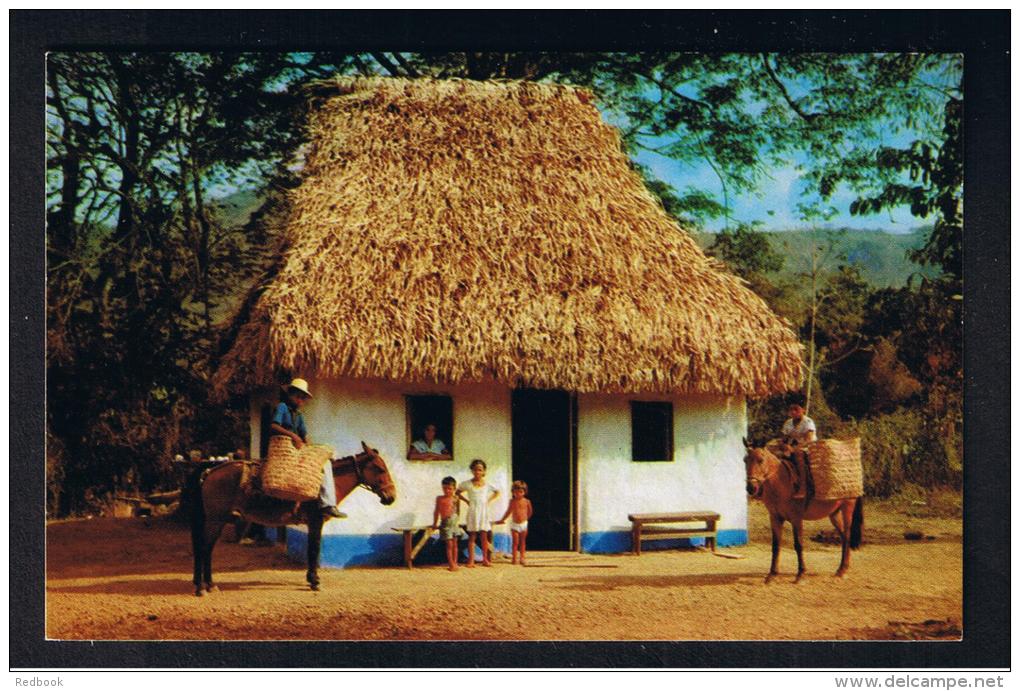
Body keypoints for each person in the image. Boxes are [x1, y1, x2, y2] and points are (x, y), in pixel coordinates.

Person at [270, 378, 345, 518]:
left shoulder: (299, 415)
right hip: (284, 447)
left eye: (302, 398)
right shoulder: (282, 407)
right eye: (297, 396)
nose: (300, 400)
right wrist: (293, 436)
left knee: (325, 461)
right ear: (290, 395)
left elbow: (305, 435)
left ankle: (327, 504)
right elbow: (274, 425)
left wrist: (311, 449)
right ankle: (326, 504)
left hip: (297, 448)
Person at [456, 459, 499, 567]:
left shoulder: (487, 485)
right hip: (473, 512)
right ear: (472, 471)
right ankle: (471, 561)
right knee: (472, 537)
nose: (477, 472)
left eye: (480, 470)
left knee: (484, 537)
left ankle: (485, 560)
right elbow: (457, 492)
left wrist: (488, 501)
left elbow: (497, 492)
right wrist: (466, 501)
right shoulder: (467, 484)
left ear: (484, 471)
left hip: (483, 512)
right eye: (475, 470)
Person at [780, 402, 817, 499]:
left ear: (803, 410)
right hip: (792, 446)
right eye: (791, 409)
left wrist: (793, 449)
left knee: (799, 456)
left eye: (796, 409)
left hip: (807, 447)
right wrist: (784, 445)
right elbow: (783, 438)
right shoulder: (788, 423)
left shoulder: (808, 422)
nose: (793, 412)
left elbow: (808, 440)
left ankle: (803, 488)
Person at [495, 480, 533, 566]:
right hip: (515, 524)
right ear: (513, 492)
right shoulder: (512, 501)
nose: (518, 494)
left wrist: (526, 519)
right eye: (516, 492)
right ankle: (514, 558)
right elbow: (508, 511)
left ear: (524, 492)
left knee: (523, 541)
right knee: (515, 542)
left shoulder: (527, 501)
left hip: (523, 524)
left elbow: (530, 512)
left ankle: (522, 557)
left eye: (521, 492)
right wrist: (502, 519)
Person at [430, 476, 462, 571]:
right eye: (445, 488)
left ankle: (455, 562)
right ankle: (451, 564)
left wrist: (456, 520)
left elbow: (458, 511)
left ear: (454, 489)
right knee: (449, 545)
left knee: (455, 544)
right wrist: (435, 523)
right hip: (445, 524)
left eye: (450, 489)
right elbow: (436, 511)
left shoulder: (456, 498)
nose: (447, 491)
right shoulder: (440, 498)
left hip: (454, 524)